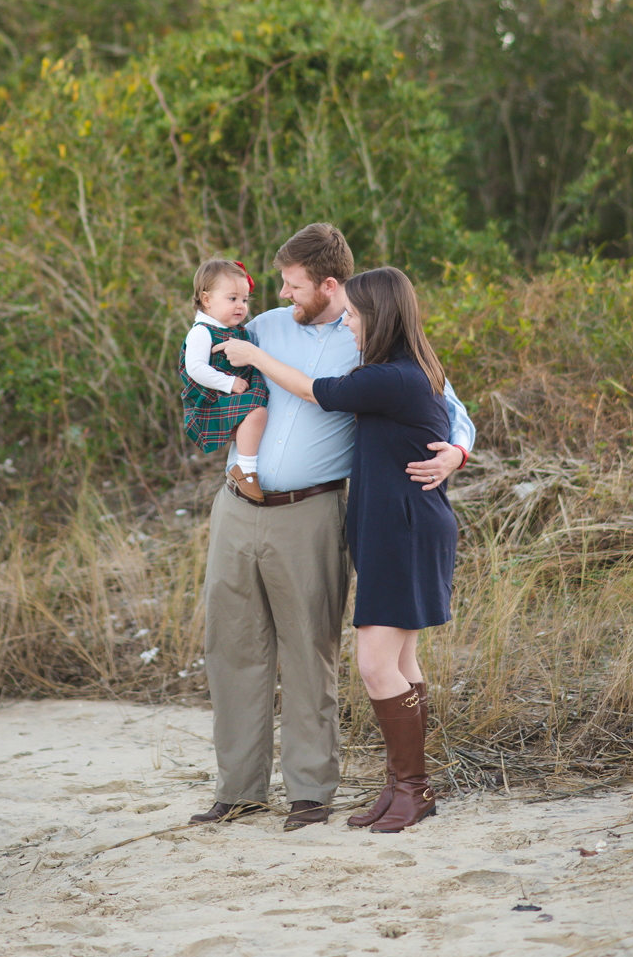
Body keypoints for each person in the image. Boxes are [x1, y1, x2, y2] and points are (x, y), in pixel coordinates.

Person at [189, 223, 474, 832]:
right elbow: (205, 347)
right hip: (238, 504)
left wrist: (456, 452)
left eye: (294, 287)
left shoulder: (370, 337)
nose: (283, 297)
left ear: (329, 285)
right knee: (231, 647)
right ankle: (238, 790)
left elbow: (451, 408)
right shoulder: (261, 324)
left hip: (312, 510)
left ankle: (310, 793)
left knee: (310, 650)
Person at [179, 259, 270, 503]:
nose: (241, 306)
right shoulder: (201, 331)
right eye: (232, 299)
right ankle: (246, 470)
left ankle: (246, 465)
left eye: (245, 299)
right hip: (209, 399)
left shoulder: (235, 329)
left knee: (260, 413)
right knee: (258, 412)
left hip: (228, 394)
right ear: (207, 300)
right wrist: (228, 383)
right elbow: (195, 368)